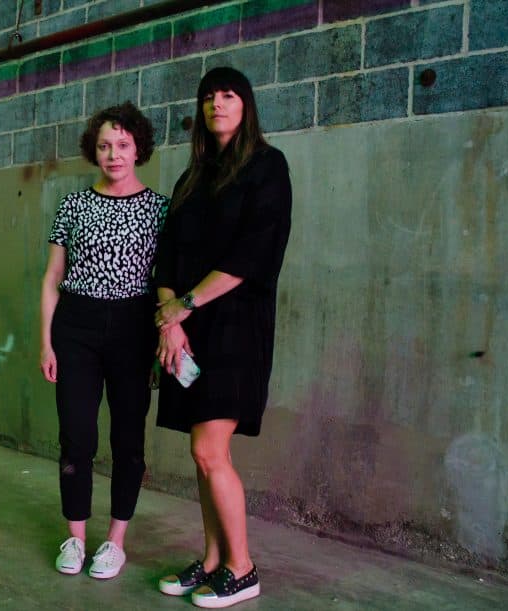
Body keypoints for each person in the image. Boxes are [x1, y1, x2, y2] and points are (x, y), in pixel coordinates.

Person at [152, 67, 292, 608]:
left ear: (246, 104)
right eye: (208, 97)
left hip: (236, 327)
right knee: (200, 452)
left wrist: (181, 306)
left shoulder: (267, 166)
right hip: (188, 329)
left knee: (211, 449)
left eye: (228, 95)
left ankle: (242, 567)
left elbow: (255, 254)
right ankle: (212, 562)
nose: (216, 104)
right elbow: (167, 255)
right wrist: (173, 322)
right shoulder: (193, 178)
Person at [40, 101, 168, 580]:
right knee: (76, 435)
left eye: (122, 145)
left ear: (138, 149)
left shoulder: (159, 209)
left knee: (128, 437)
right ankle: (74, 537)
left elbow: (164, 280)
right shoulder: (72, 205)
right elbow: (53, 276)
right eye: (104, 146)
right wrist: (46, 342)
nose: (113, 154)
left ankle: (115, 542)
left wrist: (163, 337)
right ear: (93, 152)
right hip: (76, 326)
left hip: (134, 328)